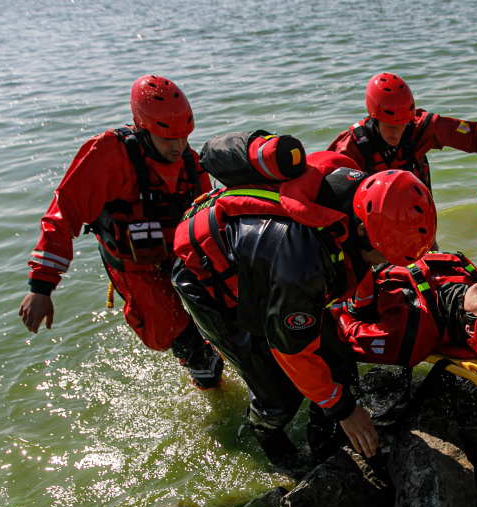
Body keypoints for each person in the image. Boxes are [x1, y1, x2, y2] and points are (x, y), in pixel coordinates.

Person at [172, 141, 437, 466]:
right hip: (207, 276)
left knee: (337, 358)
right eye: (386, 256)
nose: (386, 264)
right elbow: (291, 349)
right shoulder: (303, 263)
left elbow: (357, 262)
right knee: (279, 394)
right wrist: (344, 410)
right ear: (363, 231)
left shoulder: (359, 197)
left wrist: (366, 309)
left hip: (267, 261)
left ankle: (323, 440)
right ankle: (265, 434)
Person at [18, 75, 223, 388]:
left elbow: (207, 217)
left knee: (225, 316)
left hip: (179, 255)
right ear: (143, 127)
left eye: (184, 136)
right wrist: (41, 287)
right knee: (185, 342)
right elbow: (63, 213)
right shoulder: (107, 155)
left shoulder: (189, 161)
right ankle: (206, 377)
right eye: (168, 139)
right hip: (134, 266)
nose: (178, 146)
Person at [331, 251, 477, 367]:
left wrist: (335, 301)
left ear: (470, 328)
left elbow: (350, 335)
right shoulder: (469, 280)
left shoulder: (413, 331)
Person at [328, 72, 477, 189]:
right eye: (391, 127)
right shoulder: (351, 146)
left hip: (417, 213)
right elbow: (327, 188)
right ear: (374, 117)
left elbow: (472, 137)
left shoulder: (418, 128)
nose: (397, 135)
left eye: (403, 126)